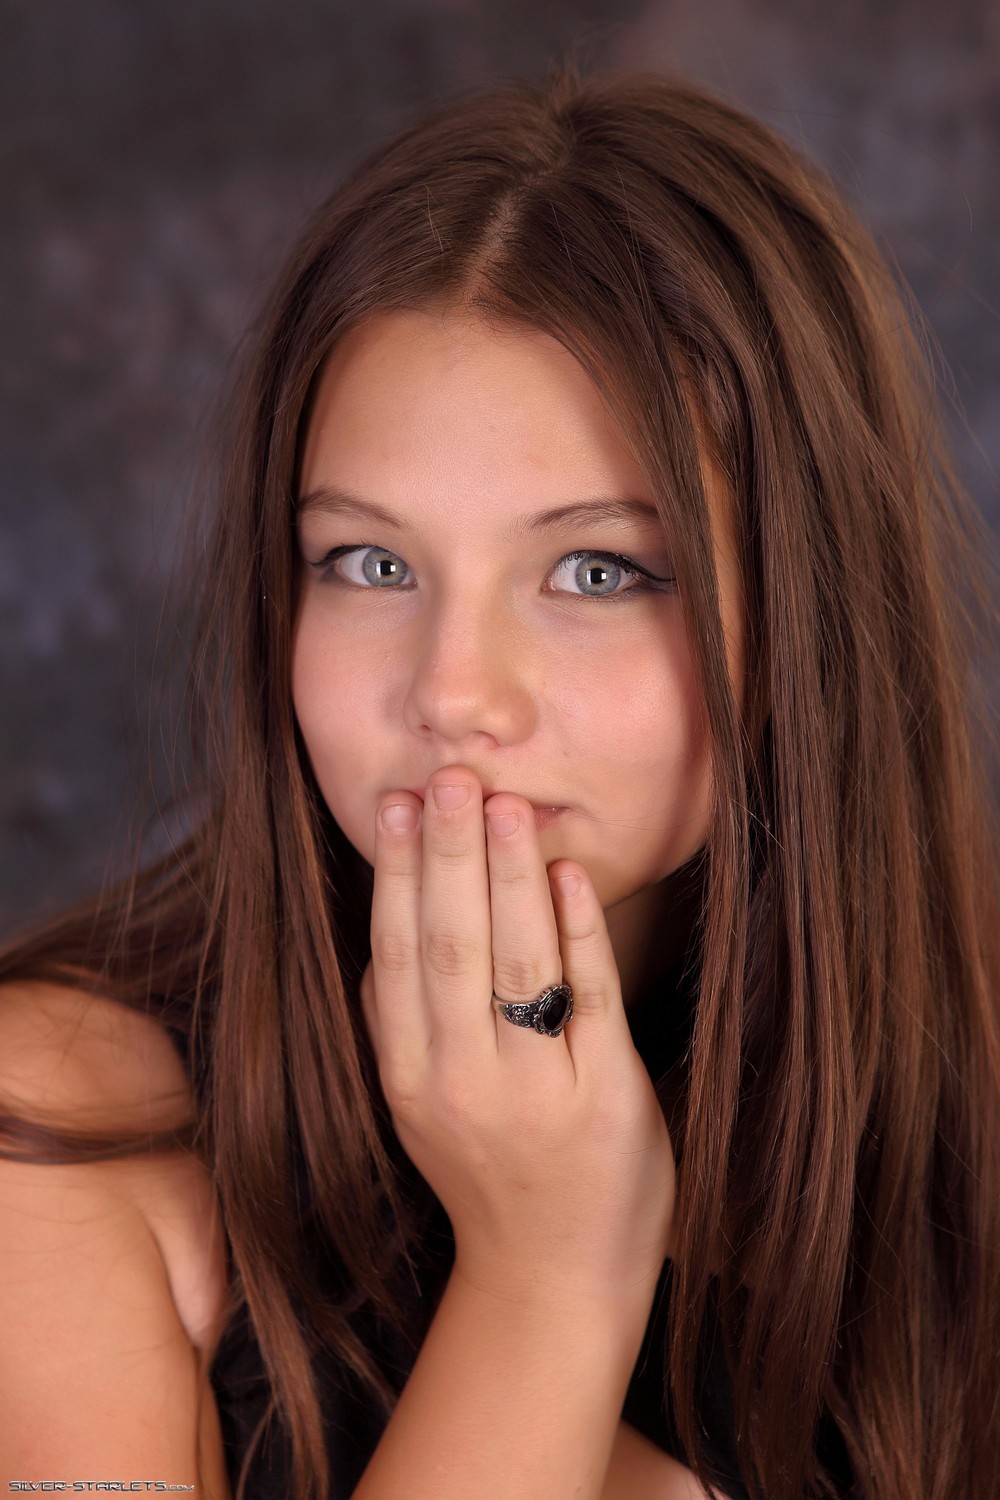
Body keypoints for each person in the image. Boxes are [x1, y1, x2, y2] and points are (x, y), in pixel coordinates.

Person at [1, 62, 997, 1500]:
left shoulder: (959, 1133)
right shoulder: (58, 1125)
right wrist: (549, 1273)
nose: (453, 691)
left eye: (598, 571)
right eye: (370, 563)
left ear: (812, 617)